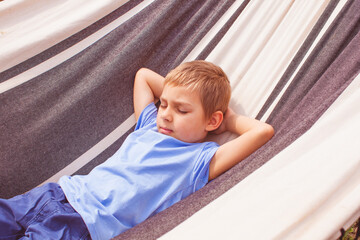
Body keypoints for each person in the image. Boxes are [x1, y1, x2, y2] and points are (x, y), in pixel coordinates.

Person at [0, 60, 274, 240]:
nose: (165, 114)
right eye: (163, 104)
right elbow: (143, 76)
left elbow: (262, 131)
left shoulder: (199, 161)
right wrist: (179, 93)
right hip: (56, 193)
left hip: (82, 224)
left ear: (212, 120)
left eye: (181, 110)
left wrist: (227, 119)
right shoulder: (148, 126)